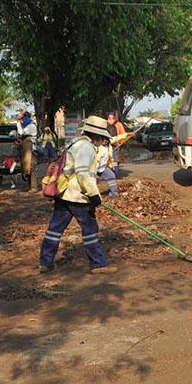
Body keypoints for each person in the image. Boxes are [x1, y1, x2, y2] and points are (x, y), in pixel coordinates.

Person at [39, 115, 117, 274]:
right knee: (90, 230)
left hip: (64, 194)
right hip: (78, 196)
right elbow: (83, 174)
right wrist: (94, 194)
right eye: (101, 137)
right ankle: (98, 264)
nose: (102, 140)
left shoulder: (75, 143)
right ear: (95, 134)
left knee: (54, 229)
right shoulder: (86, 147)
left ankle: (45, 262)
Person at [96, 131, 128, 199]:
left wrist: (127, 134)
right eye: (103, 140)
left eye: (106, 140)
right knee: (91, 183)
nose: (105, 141)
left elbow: (117, 138)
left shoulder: (109, 144)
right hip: (94, 168)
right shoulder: (97, 146)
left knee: (111, 176)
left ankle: (113, 194)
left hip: (103, 168)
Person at [16, 110, 38, 191]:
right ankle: (30, 186)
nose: (22, 120)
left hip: (30, 148)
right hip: (26, 147)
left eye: (23, 117)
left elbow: (21, 132)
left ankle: (34, 187)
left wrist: (18, 123)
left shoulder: (31, 126)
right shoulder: (27, 125)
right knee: (26, 166)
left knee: (31, 167)